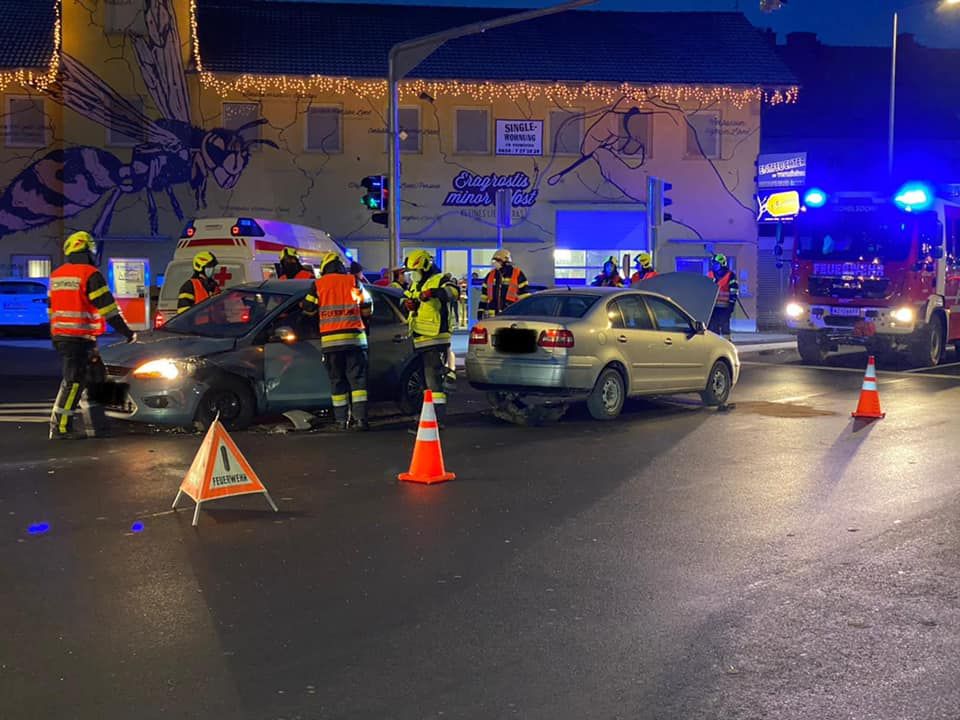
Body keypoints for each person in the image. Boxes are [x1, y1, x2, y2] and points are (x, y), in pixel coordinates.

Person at [48, 231, 136, 440]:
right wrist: (128, 333)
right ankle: (61, 428)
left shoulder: (57, 275)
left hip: (66, 337)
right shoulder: (90, 274)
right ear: (89, 251)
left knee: (96, 379)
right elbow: (109, 310)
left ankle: (99, 427)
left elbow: (52, 309)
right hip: (78, 338)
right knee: (74, 382)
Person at [302, 251, 372, 431]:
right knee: (358, 381)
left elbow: (308, 309)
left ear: (324, 268)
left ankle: (341, 421)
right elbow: (367, 307)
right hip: (355, 339)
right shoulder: (353, 281)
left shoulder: (318, 284)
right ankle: (360, 420)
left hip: (331, 342)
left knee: (337, 381)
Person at [402, 250, 459, 424]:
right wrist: (407, 304)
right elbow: (404, 299)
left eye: (416, 270)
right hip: (419, 338)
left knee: (433, 380)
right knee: (425, 382)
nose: (414, 274)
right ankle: (428, 415)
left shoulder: (440, 279)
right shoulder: (415, 284)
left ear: (425, 266)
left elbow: (453, 292)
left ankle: (437, 418)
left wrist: (433, 292)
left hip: (435, 337)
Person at [477, 248, 531, 319]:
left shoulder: (517, 274)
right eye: (494, 261)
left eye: (497, 261)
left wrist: (525, 312)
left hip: (510, 314)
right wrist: (480, 310)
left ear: (506, 261)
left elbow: (524, 296)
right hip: (493, 315)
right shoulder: (490, 275)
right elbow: (484, 296)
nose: (495, 263)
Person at [707, 253, 739, 338]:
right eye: (713, 263)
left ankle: (726, 342)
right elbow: (706, 289)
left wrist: (731, 305)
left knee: (725, 327)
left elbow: (734, 291)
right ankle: (714, 343)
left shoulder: (730, 275)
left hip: (725, 307)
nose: (714, 265)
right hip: (712, 307)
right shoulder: (710, 274)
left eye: (716, 264)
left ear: (722, 264)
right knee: (712, 328)